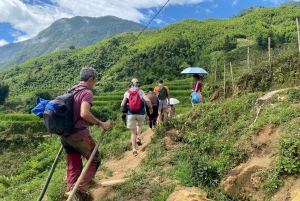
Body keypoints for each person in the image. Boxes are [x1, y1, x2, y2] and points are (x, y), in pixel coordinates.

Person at [62, 67, 111, 201]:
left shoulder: (71, 90)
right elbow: (84, 113)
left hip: (65, 136)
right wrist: (101, 123)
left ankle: (70, 191)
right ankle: (78, 191)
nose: (94, 83)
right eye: (94, 80)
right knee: (95, 160)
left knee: (74, 164)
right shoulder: (86, 92)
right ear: (91, 79)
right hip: (79, 135)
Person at [121, 78, 153, 157]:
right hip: (140, 113)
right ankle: (138, 136)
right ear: (138, 84)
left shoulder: (127, 92)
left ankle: (134, 150)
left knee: (132, 132)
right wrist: (150, 107)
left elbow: (122, 104)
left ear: (130, 84)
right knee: (139, 125)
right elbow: (148, 100)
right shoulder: (140, 91)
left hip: (131, 114)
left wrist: (128, 104)